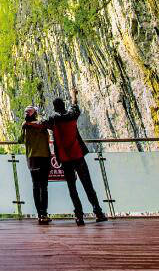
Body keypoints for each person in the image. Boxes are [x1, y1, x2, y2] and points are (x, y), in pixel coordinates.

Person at [46, 87, 108, 226]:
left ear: (55, 108)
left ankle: (79, 216)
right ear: (63, 106)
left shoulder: (53, 120)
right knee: (88, 185)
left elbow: (42, 123)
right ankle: (98, 212)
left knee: (72, 188)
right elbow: (74, 106)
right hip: (78, 155)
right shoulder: (72, 115)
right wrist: (74, 94)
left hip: (65, 159)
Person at [19, 105, 51, 225]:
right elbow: (48, 138)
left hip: (32, 159)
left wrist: (25, 126)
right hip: (44, 158)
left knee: (35, 186)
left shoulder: (25, 127)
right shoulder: (42, 126)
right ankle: (44, 213)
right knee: (44, 187)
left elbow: (20, 140)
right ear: (35, 114)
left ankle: (39, 214)